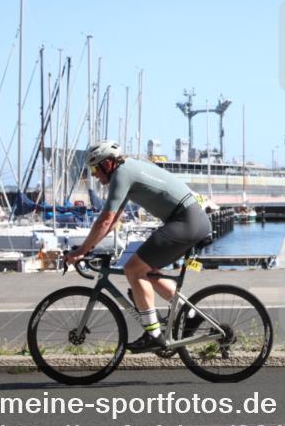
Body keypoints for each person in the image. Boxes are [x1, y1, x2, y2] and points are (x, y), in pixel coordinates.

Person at [64, 140, 212, 353]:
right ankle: (190, 314)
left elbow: (105, 220)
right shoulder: (126, 170)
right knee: (147, 272)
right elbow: (113, 221)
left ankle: (154, 334)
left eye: (95, 169)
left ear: (108, 164)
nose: (94, 175)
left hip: (185, 221)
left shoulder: (122, 174)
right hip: (190, 220)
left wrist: (81, 251)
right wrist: (91, 247)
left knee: (133, 269)